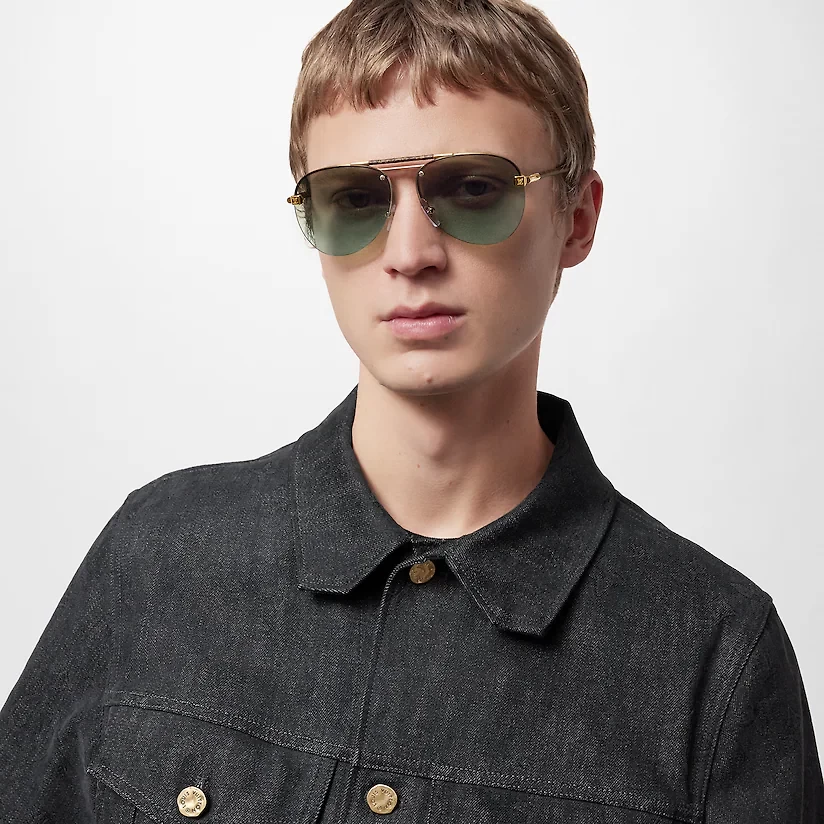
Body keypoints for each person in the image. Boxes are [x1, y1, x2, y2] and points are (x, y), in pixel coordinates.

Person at [2, 0, 822, 820]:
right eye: (354, 199)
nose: (409, 255)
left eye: (474, 189)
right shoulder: (158, 558)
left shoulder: (714, 655)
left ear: (576, 219)